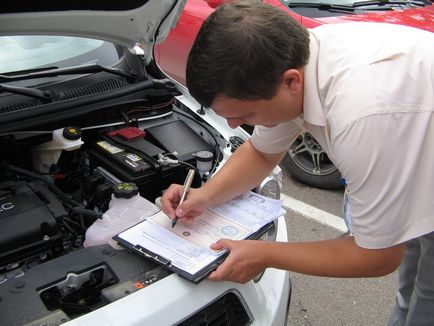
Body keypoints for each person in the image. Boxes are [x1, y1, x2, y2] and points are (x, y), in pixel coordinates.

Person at [161, 1, 434, 324]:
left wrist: (264, 254)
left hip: (409, 137)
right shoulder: (299, 59)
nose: (234, 126)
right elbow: (261, 152)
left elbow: (376, 256)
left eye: (245, 114)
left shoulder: (362, 113)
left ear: (291, 82)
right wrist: (205, 196)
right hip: (416, 152)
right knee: (412, 285)